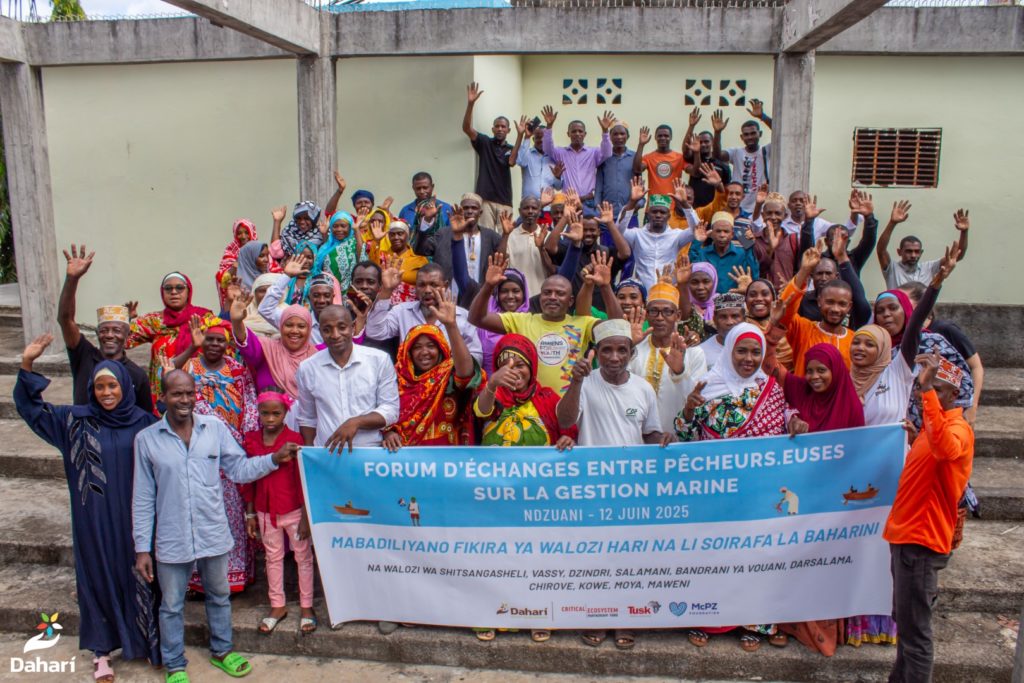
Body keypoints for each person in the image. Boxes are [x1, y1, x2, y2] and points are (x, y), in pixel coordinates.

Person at [133, 370, 296, 681]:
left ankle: (222, 651)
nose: (183, 400)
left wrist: (273, 459)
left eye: (188, 393)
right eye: (176, 394)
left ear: (197, 396)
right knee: (171, 605)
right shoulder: (147, 440)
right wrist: (142, 547)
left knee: (219, 596)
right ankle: (175, 665)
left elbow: (239, 468)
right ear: (163, 398)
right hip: (172, 535)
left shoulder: (214, 429)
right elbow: (142, 497)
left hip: (212, 530)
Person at [16, 335, 160, 681]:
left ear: (125, 386)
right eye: (99, 388)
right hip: (92, 522)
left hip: (133, 520)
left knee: (140, 577)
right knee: (97, 579)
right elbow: (32, 410)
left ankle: (147, 643)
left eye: (113, 386)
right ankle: (101, 653)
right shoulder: (74, 422)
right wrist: (26, 364)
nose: (107, 393)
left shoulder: (143, 423)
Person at [673, 323, 792, 651]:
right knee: (709, 554)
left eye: (756, 352)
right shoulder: (707, 384)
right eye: (742, 350)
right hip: (710, 492)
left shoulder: (771, 390)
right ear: (729, 351)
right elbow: (684, 437)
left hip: (754, 492)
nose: (749, 358)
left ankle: (752, 621)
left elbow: (778, 439)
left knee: (752, 554)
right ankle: (706, 619)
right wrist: (687, 410)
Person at [556, 318, 671, 651]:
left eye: (622, 349)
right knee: (594, 556)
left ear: (631, 353)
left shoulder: (644, 388)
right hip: (591, 487)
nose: (615, 356)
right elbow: (565, 420)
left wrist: (662, 439)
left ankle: (625, 618)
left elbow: (649, 433)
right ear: (597, 352)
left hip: (631, 490)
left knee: (628, 558)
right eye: (607, 350)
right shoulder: (586, 383)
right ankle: (596, 615)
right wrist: (576, 383)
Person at [760, 341, 865, 657]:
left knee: (821, 567)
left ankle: (821, 630)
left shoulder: (850, 405)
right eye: (811, 370)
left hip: (831, 502)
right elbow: (768, 365)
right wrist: (775, 322)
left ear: (836, 371)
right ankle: (787, 623)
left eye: (823, 371)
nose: (816, 377)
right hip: (796, 499)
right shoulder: (798, 388)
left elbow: (858, 455)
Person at [883, 350, 974, 682]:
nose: (926, 392)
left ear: (950, 394)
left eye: (934, 387)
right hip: (907, 539)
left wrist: (926, 395)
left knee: (916, 635)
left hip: (921, 544)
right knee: (906, 625)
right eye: (926, 387)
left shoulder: (958, 429)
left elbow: (946, 449)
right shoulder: (935, 425)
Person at [469, 252, 623, 396]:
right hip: (531, 410)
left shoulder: (583, 323)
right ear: (540, 297)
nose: (552, 297)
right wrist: (488, 286)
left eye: (560, 293)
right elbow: (477, 318)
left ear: (570, 301)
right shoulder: (521, 320)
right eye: (547, 293)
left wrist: (605, 286)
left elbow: (616, 329)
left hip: (570, 407)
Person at [180, 323, 259, 595]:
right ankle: (199, 581)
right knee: (201, 513)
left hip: (234, 449)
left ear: (228, 345)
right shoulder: (189, 367)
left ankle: (234, 577)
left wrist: (245, 438)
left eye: (220, 341)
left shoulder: (237, 369)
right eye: (209, 339)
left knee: (234, 513)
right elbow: (165, 380)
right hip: (198, 447)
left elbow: (249, 401)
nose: (214, 344)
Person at [241, 390, 315, 635]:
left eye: (276, 413)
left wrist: (305, 517)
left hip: (293, 511)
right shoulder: (251, 440)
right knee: (272, 558)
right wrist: (250, 514)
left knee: (302, 557)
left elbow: (304, 480)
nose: (270, 418)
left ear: (285, 413)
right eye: (265, 413)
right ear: (258, 414)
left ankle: (306, 606)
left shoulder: (294, 440)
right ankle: (277, 605)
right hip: (265, 511)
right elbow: (249, 479)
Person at [382, 291, 483, 450]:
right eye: (417, 347)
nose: (424, 352)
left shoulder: (448, 375)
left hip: (448, 466)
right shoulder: (396, 381)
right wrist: (389, 433)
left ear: (442, 349)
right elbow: (385, 415)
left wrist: (451, 326)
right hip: (406, 466)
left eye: (431, 346)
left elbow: (466, 374)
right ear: (407, 353)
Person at [58, 244, 153, 413]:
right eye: (104, 330)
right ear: (97, 333)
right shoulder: (84, 356)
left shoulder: (137, 376)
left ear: (127, 334)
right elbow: (65, 319)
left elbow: (144, 421)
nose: (109, 335)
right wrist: (72, 279)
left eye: (116, 330)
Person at [295, 305, 400, 451]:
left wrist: (356, 422)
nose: (335, 334)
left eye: (342, 327)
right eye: (327, 330)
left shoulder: (379, 360)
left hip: (371, 454)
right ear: (320, 332)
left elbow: (390, 410)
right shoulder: (307, 368)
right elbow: (307, 418)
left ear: (353, 327)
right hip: (327, 454)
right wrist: (310, 455)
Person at [127, 272, 220, 408]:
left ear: (188, 291)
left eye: (179, 288)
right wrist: (127, 320)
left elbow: (224, 342)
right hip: (163, 390)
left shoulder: (203, 318)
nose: (174, 292)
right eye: (168, 288)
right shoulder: (155, 321)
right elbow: (125, 342)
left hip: (199, 389)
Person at [628, 279, 707, 435]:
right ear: (646, 313)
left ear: (677, 315)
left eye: (667, 311)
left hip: (678, 439)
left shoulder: (694, 353)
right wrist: (628, 345)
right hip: (636, 440)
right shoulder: (634, 350)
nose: (659, 317)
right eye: (654, 311)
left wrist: (680, 373)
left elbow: (696, 401)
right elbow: (623, 395)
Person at [899, 281, 984, 426]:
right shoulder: (902, 334)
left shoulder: (945, 330)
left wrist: (972, 406)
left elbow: (976, 367)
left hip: (943, 413)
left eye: (902, 301)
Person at [475, 333, 578, 448]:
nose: (514, 372)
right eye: (506, 367)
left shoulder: (547, 398)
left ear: (531, 367)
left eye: (520, 366)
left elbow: (568, 430)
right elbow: (482, 411)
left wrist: (567, 440)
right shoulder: (491, 394)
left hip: (539, 466)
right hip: (496, 466)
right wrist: (492, 383)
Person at [366, 262, 484, 364]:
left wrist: (445, 370)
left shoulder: (462, 316)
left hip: (449, 385)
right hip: (410, 386)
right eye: (422, 285)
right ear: (415, 287)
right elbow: (375, 332)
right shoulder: (402, 312)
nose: (427, 290)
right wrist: (386, 290)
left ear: (445, 285)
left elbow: (476, 357)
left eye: (434, 285)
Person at [776, 248, 854, 375]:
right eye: (829, 302)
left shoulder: (854, 340)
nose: (835, 309)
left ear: (849, 307)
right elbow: (784, 310)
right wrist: (804, 270)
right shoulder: (803, 330)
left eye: (842, 304)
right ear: (819, 302)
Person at [232, 297, 318, 401]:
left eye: (301, 326)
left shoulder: (318, 355)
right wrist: (237, 322)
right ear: (281, 326)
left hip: (307, 417)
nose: (295, 331)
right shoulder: (268, 349)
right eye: (289, 325)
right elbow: (248, 345)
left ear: (309, 329)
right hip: (269, 416)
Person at [422, 196, 504, 302]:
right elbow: (422, 249)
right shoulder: (444, 234)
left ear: (480, 212)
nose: (469, 211)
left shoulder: (491, 236)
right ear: (460, 210)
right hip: (448, 296)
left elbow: (502, 259)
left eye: (474, 208)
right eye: (465, 208)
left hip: (480, 297)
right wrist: (427, 221)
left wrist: (506, 235)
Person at [618, 182, 696, 291]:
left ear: (668, 216)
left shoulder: (676, 235)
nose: (658, 215)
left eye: (662, 212)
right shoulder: (637, 235)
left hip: (668, 292)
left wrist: (685, 204)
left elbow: (696, 230)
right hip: (643, 295)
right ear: (648, 214)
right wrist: (632, 202)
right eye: (654, 212)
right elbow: (619, 230)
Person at [876, 203, 970, 288]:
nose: (913, 255)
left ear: (921, 253)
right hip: (899, 307)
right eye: (909, 251)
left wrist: (964, 232)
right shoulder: (892, 269)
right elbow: (881, 250)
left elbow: (957, 256)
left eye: (917, 252)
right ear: (899, 252)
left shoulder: (929, 268)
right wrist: (892, 223)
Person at [795, 230, 871, 329]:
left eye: (828, 273)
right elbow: (787, 315)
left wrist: (842, 258)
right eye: (819, 273)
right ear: (819, 301)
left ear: (837, 276)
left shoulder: (847, 300)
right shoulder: (804, 300)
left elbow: (863, 308)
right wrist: (804, 270)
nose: (823, 278)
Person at [462, 82, 513, 229]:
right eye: (497, 126)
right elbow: (467, 128)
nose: (500, 129)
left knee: (504, 238)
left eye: (503, 126)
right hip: (485, 200)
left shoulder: (511, 149)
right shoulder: (485, 143)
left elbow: (513, 161)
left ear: (508, 130)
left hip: (505, 201)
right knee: (485, 237)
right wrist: (471, 104)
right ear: (492, 128)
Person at [540, 105, 615, 205]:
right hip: (568, 201)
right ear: (568, 134)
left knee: (591, 221)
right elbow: (547, 148)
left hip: (589, 201)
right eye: (574, 131)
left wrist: (605, 131)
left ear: (585, 134)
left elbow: (607, 153)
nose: (577, 134)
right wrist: (549, 127)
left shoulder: (593, 152)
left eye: (580, 131)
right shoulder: (561, 153)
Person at [259, 257, 340, 345]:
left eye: (326, 295)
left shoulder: (342, 322)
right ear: (309, 297)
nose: (321, 300)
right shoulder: (298, 320)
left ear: (333, 297)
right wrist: (286, 276)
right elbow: (265, 309)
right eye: (316, 295)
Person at [712, 102, 771, 213]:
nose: (750, 137)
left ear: (760, 134)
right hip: (737, 207)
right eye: (746, 134)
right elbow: (717, 155)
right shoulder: (736, 152)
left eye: (753, 133)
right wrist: (717, 132)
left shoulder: (766, 150)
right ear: (741, 137)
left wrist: (762, 116)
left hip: (759, 208)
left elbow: (779, 131)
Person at [689, 211, 759, 293]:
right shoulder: (703, 253)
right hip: (709, 303)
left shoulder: (742, 254)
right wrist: (697, 242)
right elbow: (692, 269)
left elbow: (754, 276)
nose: (722, 235)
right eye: (718, 231)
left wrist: (749, 246)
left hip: (734, 302)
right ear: (711, 234)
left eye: (726, 231)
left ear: (732, 234)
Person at [633, 123, 688, 224]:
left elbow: (693, 171)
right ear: (655, 137)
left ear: (671, 137)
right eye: (660, 136)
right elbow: (637, 169)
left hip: (673, 209)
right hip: (653, 209)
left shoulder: (679, 157)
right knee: (649, 239)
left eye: (666, 136)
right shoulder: (648, 157)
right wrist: (641, 144)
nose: (663, 138)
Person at [479, 267, 530, 374]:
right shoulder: (485, 317)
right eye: (504, 291)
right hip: (489, 385)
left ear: (524, 294)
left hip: (520, 385)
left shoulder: (530, 321)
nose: (510, 296)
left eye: (516, 291)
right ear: (497, 294)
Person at [504, 196, 554, 297]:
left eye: (534, 208)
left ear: (540, 211)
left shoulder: (548, 236)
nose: (530, 211)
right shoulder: (510, 236)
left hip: (541, 296)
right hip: (517, 297)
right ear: (519, 211)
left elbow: (553, 270)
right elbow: (502, 265)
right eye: (526, 208)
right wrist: (505, 235)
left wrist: (541, 248)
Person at [375, 219, 429, 304]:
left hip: (411, 307)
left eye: (400, 234)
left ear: (408, 235)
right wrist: (377, 241)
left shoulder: (420, 259)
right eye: (392, 234)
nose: (396, 237)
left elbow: (426, 285)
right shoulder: (382, 256)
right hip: (384, 304)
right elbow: (371, 265)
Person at [744, 278, 793, 371]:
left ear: (774, 298)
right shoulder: (741, 327)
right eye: (752, 295)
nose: (758, 298)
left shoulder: (787, 322)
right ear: (746, 300)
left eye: (765, 294)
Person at [398, 172, 453, 251]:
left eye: (425, 187)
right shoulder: (405, 211)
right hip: (412, 257)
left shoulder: (445, 208)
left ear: (432, 187)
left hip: (439, 257)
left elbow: (451, 235)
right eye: (418, 188)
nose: (422, 191)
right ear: (413, 188)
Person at [510, 120, 563, 201]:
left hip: (547, 207)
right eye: (538, 137)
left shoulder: (553, 158)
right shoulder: (527, 153)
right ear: (533, 139)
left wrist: (557, 177)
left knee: (547, 215)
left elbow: (558, 187)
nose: (541, 140)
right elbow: (521, 162)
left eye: (544, 137)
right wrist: (527, 137)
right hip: (529, 206)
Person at [312, 211, 364, 293]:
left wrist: (356, 229)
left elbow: (360, 253)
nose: (339, 229)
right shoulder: (328, 244)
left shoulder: (353, 243)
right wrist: (324, 234)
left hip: (348, 292)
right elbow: (327, 253)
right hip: (327, 291)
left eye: (343, 226)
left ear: (350, 227)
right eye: (335, 226)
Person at [595, 122, 635, 218]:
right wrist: (597, 208)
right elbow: (599, 185)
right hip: (607, 213)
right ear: (610, 137)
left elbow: (639, 183)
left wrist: (637, 205)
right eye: (615, 134)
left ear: (628, 136)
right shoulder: (604, 157)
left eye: (622, 134)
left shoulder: (634, 157)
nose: (619, 137)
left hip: (630, 214)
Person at [215, 219, 258, 309]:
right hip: (236, 300)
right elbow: (221, 278)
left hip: (257, 300)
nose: (243, 236)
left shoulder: (260, 251)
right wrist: (234, 269)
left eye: (246, 232)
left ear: (252, 233)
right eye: (239, 233)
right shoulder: (231, 252)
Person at [699, 292, 747, 369]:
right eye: (723, 317)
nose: (729, 322)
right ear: (714, 319)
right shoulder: (701, 352)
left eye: (735, 316)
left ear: (744, 319)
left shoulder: (754, 348)